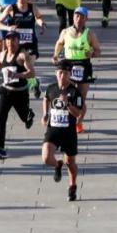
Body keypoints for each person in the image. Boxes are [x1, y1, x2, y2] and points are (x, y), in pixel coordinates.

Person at [52, 6, 101, 134]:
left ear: (86, 19)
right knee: (68, 96)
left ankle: (79, 122)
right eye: (76, 16)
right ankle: (69, 121)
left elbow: (98, 51)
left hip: (84, 67)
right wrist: (55, 55)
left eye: (81, 16)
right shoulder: (65, 32)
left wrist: (91, 54)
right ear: (73, 17)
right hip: (68, 67)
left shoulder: (89, 34)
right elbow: (59, 43)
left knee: (81, 100)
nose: (78, 19)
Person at [43, 59, 86, 201]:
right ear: (56, 73)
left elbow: (78, 113)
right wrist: (45, 114)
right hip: (53, 130)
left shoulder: (75, 92)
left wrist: (67, 104)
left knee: (71, 163)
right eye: (60, 73)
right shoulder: (51, 88)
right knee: (46, 158)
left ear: (70, 74)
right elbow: (46, 99)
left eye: (66, 73)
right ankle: (57, 164)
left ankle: (72, 186)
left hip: (68, 132)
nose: (63, 76)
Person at [0, 32, 36, 160]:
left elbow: (32, 73)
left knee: (24, 117)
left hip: (20, 92)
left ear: (18, 41)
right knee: (0, 117)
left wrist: (17, 75)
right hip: (6, 91)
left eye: (13, 40)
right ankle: (0, 149)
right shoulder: (3, 53)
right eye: (8, 40)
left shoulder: (22, 55)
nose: (10, 42)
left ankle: (29, 115)